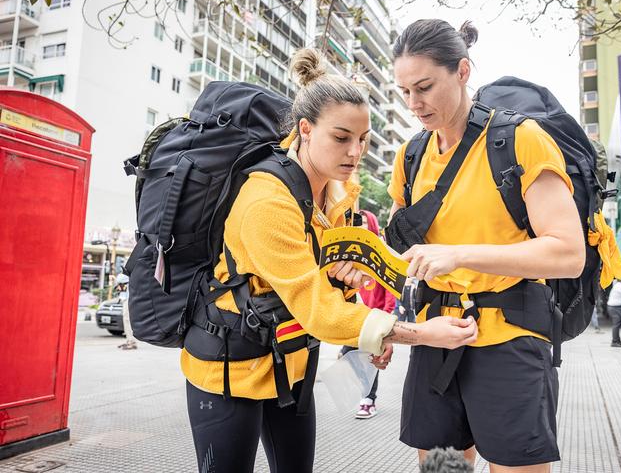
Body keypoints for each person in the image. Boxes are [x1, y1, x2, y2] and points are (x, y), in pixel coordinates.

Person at [180, 48, 479, 473]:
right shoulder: (267, 202)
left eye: (363, 140)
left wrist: (369, 332)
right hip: (228, 372)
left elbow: (329, 288)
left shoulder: (338, 196)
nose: (355, 153)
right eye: (341, 138)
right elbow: (316, 308)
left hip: (291, 366)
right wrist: (416, 333)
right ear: (305, 129)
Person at [388, 20, 585, 472]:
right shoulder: (411, 156)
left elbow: (568, 254)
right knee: (441, 468)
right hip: (435, 336)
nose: (415, 104)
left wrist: (460, 253)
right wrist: (390, 322)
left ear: (461, 71)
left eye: (424, 86)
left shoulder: (520, 141)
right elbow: (406, 252)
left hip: (509, 339)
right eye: (404, 91)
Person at [339, 210, 395, 419]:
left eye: (363, 222)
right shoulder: (351, 252)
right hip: (356, 316)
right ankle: (365, 395)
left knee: (372, 359)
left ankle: (368, 399)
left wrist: (386, 317)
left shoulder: (380, 251)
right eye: (357, 222)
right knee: (348, 353)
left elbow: (389, 289)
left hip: (375, 318)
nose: (360, 225)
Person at [115, 273, 137, 350]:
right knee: (126, 320)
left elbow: (119, 279)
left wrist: (118, 277)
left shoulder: (129, 271)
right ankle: (129, 340)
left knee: (127, 320)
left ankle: (131, 342)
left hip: (128, 298)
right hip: (125, 297)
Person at [608, 279, 621, 347]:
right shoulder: (619, 286)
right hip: (614, 307)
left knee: (617, 325)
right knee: (616, 325)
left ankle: (618, 340)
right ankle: (614, 341)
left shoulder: (618, 285)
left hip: (616, 307)